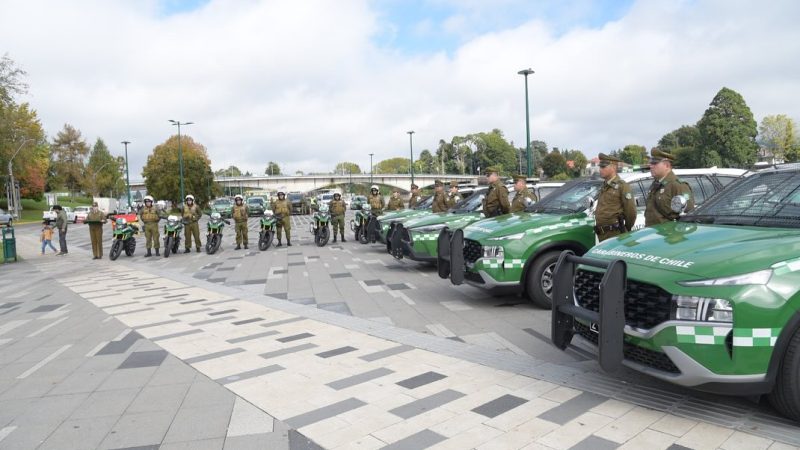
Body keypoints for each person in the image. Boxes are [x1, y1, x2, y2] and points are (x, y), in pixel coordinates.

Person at [645, 148, 694, 227]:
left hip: (669, 235)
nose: (651, 166)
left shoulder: (677, 185)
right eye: (650, 163)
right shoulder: (656, 184)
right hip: (653, 234)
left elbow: (688, 215)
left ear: (667, 166)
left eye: (654, 163)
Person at [594, 154, 637, 241]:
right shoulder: (605, 185)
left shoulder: (622, 186)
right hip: (603, 234)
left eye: (603, 167)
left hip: (616, 234)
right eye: (600, 167)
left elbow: (631, 212)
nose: (600, 170)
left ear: (613, 167)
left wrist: (626, 229)